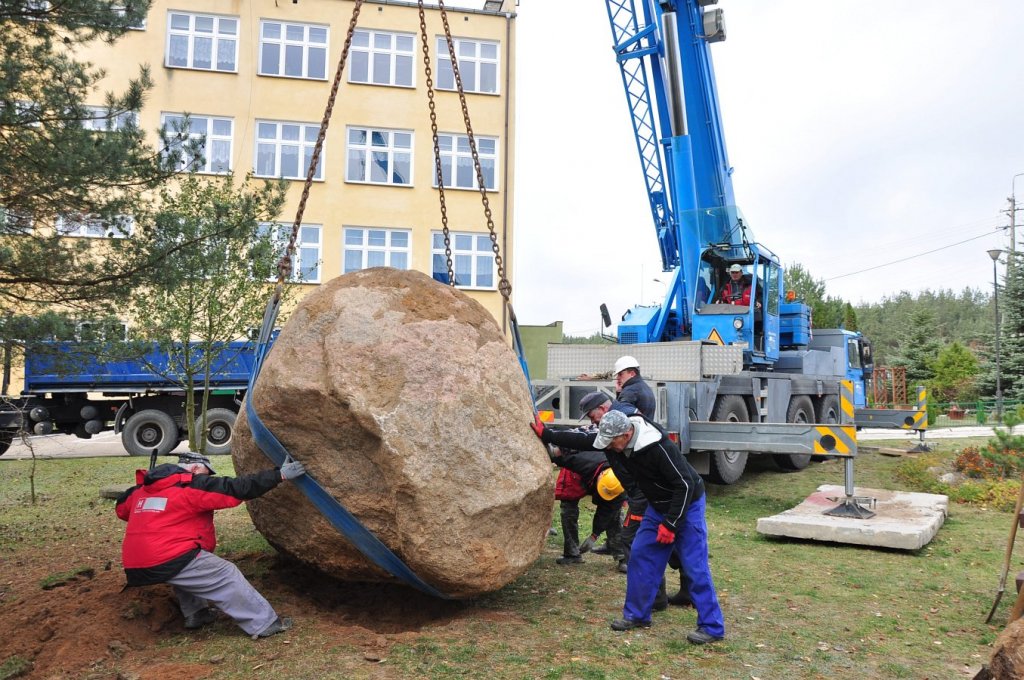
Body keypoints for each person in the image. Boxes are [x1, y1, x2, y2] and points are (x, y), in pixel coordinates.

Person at [533, 410, 725, 644]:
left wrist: (671, 524)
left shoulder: (657, 447)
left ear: (626, 434)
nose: (608, 447)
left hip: (686, 504)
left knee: (694, 565)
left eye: (611, 443)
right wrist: (547, 434)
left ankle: (712, 626)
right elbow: (582, 440)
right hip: (656, 505)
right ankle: (637, 615)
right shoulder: (612, 438)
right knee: (640, 556)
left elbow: (684, 485)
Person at [115, 451, 307, 639]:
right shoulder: (190, 486)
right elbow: (236, 488)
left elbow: (122, 510)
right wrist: (279, 475)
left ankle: (197, 614)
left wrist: (142, 489)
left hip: (135, 565)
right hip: (167, 557)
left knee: (187, 569)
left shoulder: (141, 491)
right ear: (195, 468)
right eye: (206, 474)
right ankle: (264, 623)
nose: (207, 479)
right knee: (225, 573)